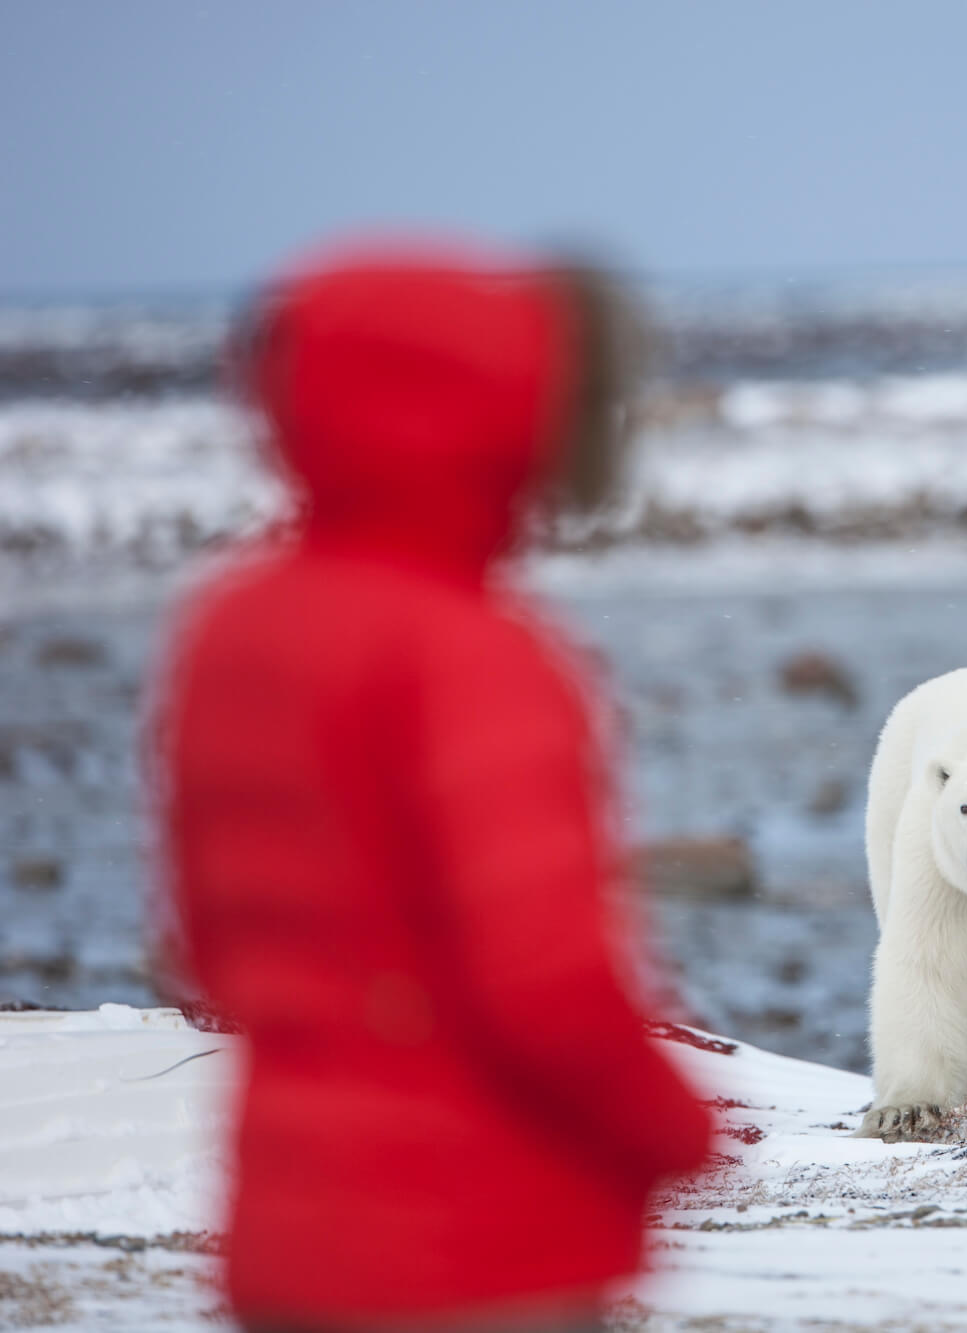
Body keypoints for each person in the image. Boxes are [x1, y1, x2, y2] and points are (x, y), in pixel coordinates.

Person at [158, 241, 714, 1332]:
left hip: (289, 1232)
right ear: (500, 410)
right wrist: (671, 1131)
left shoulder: (230, 625)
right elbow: (544, 980)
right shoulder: (476, 655)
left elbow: (204, 938)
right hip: (484, 1247)